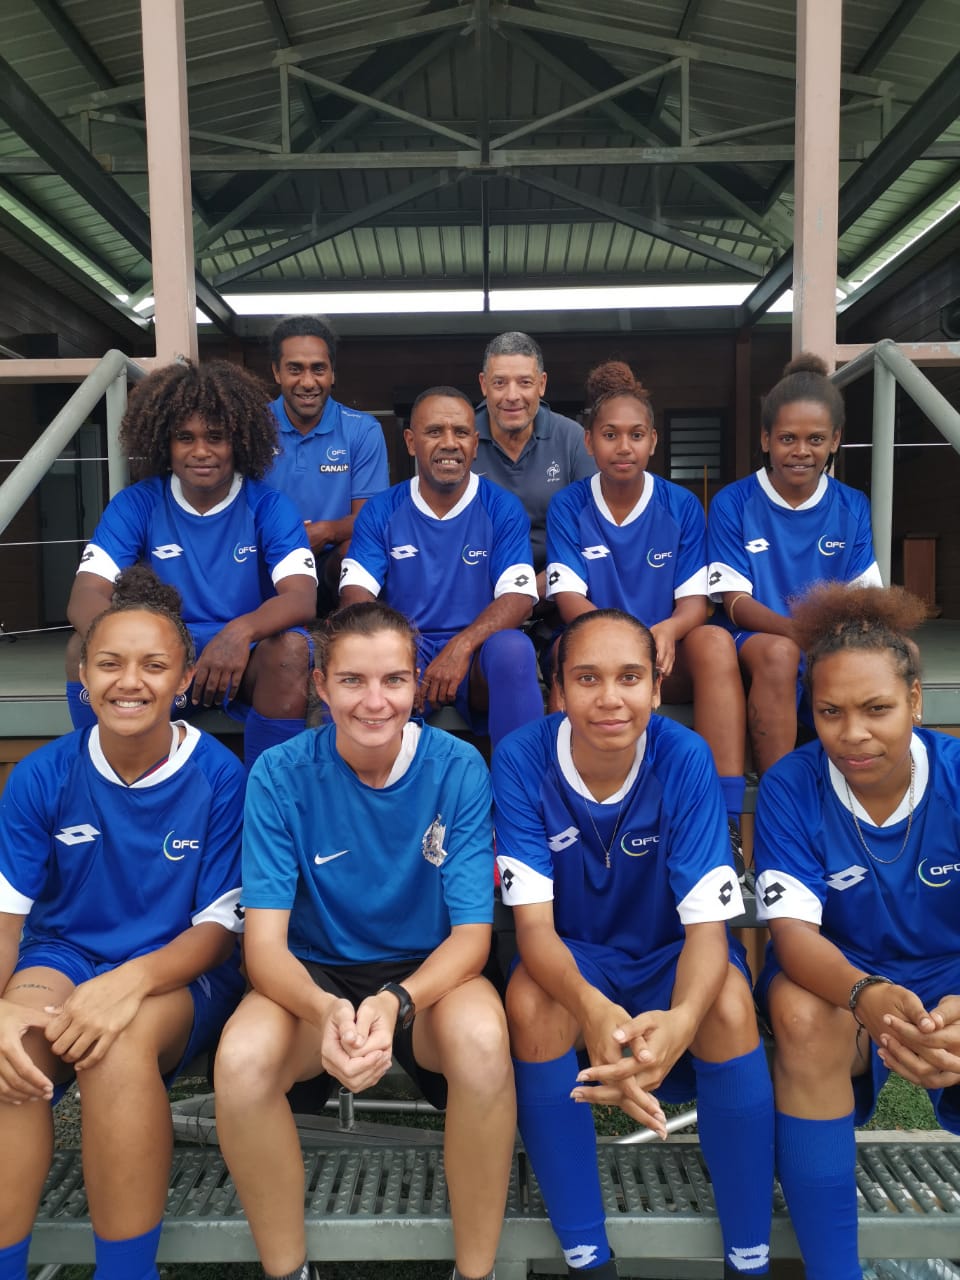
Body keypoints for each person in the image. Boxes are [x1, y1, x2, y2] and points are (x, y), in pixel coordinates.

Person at [215, 600, 515, 1280]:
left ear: (417, 684)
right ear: (321, 686)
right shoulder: (280, 773)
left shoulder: (458, 767)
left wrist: (393, 1002)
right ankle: (288, 1271)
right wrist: (327, 1011)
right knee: (240, 1061)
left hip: (428, 975)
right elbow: (264, 949)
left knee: (482, 1043)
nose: (375, 702)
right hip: (312, 974)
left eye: (393, 680)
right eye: (352, 680)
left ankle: (476, 1272)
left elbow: (471, 938)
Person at [493, 609, 774, 1280]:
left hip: (668, 954)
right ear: (558, 689)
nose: (610, 698)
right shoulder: (522, 756)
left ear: (656, 685)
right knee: (531, 1001)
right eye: (587, 678)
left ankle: (749, 1258)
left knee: (727, 1003)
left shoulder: (684, 755)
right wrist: (592, 1010)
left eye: (629, 677)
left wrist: (682, 1021)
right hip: (576, 957)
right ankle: (588, 1258)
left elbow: (707, 931)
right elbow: (534, 931)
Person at [0, 566, 245, 1280]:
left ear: (184, 678)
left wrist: (129, 982)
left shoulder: (220, 776)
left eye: (153, 665)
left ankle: (127, 1272)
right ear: (83, 676)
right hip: (64, 954)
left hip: (177, 969)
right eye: (109, 663)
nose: (129, 682)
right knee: (13, 1054)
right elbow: (9, 921)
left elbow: (216, 933)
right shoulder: (42, 774)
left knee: (118, 1049)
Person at [754, 582, 960, 1280]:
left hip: (949, 978)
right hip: (842, 976)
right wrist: (864, 993)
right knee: (800, 1015)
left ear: (915, 702)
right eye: (830, 712)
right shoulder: (792, 785)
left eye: (877, 709)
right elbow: (793, 938)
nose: (853, 734)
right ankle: (832, 1269)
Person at [65, 359, 318, 771]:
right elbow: (86, 594)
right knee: (83, 644)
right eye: (185, 437)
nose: (201, 451)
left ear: (239, 442)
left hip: (243, 660)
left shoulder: (269, 505)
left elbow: (301, 598)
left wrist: (239, 633)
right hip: (160, 653)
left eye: (216, 437)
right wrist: (139, 645)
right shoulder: (138, 503)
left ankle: (268, 791)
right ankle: (100, 777)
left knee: (290, 649)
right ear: (165, 442)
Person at [546, 360, 748, 852]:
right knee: (562, 654)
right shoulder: (569, 505)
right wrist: (624, 646)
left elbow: (694, 603)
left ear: (653, 441)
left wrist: (667, 631)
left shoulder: (680, 505)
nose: (624, 446)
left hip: (664, 657)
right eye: (610, 435)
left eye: (636, 435)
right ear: (588, 441)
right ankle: (566, 817)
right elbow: (569, 598)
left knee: (714, 640)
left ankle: (724, 820)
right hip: (598, 657)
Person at [339, 386, 543, 746]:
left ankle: (518, 779)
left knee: (513, 649)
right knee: (355, 651)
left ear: (474, 444)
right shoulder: (382, 509)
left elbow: (518, 598)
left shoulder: (501, 507)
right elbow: (356, 597)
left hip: (476, 655)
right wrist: (400, 659)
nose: (449, 443)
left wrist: (460, 647)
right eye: (434, 431)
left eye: (461, 432)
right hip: (402, 651)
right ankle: (354, 776)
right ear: (410, 441)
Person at [707, 352, 881, 774]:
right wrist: (799, 631)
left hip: (822, 637)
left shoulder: (852, 505)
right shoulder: (734, 502)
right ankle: (777, 792)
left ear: (835, 440)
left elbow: (864, 599)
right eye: (788, 439)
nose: (801, 451)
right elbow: (734, 602)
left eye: (815, 439)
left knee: (889, 653)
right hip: (755, 636)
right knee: (781, 654)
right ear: (766, 439)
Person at [264, 315, 389, 610]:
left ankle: (349, 629)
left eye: (318, 369)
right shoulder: (252, 426)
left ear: (332, 373)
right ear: (277, 372)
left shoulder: (362, 429)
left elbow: (371, 518)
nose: (308, 382)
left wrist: (326, 531)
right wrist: (288, 538)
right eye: (295, 369)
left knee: (357, 550)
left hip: (331, 560)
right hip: (269, 557)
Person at [473, 331, 595, 597]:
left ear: (542, 384)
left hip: (559, 590)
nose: (512, 395)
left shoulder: (572, 439)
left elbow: (593, 533)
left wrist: (528, 593)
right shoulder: (462, 438)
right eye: (499, 383)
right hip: (478, 588)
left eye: (525, 382)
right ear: (483, 384)